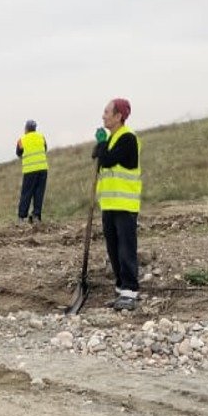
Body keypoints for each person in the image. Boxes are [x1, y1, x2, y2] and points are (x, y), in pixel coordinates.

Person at [92, 98, 142, 311]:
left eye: (106, 112)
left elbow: (110, 159)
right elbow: (99, 158)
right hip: (109, 203)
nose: (103, 115)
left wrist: (102, 145)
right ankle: (121, 287)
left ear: (118, 116)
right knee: (113, 247)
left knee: (125, 247)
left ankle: (130, 289)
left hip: (124, 203)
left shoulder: (128, 138)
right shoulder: (112, 139)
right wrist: (101, 145)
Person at [15, 119, 48, 223]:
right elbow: (45, 149)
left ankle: (22, 216)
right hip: (43, 169)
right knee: (39, 193)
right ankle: (36, 216)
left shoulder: (22, 139)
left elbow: (18, 153)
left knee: (26, 194)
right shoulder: (41, 137)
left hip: (29, 170)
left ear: (26, 128)